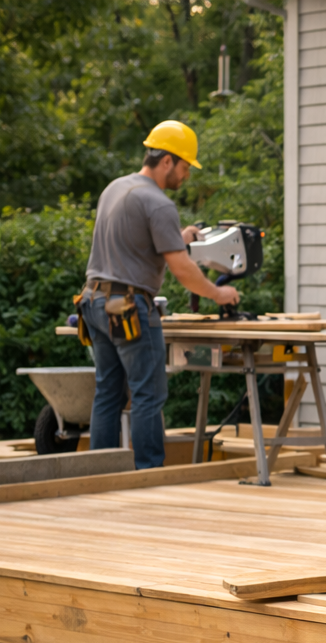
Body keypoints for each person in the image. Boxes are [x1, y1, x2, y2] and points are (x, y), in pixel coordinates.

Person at [77, 120, 240, 469]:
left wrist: (178, 237)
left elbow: (131, 246)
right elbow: (182, 270)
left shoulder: (115, 189)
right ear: (166, 160)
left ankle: (98, 473)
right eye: (184, 168)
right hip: (127, 309)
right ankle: (149, 475)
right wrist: (218, 293)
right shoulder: (159, 203)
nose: (186, 177)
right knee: (148, 394)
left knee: (108, 392)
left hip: (93, 302)